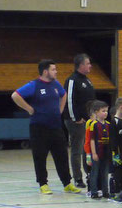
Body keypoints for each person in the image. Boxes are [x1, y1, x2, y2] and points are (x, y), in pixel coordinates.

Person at [11, 59, 80, 195]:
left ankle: (67, 183)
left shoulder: (56, 84)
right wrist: (29, 108)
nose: (56, 72)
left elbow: (64, 94)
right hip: (39, 128)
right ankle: (43, 184)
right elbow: (15, 95)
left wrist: (60, 109)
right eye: (53, 69)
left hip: (56, 127)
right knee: (40, 157)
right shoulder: (34, 85)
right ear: (45, 71)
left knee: (61, 155)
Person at [63, 54, 95, 189]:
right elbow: (69, 100)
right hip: (76, 121)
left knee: (87, 148)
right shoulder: (72, 80)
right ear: (80, 65)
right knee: (77, 149)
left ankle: (89, 175)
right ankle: (77, 178)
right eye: (88, 63)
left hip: (87, 121)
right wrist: (74, 118)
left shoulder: (87, 80)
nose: (90, 66)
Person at [87, 100, 112, 199]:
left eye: (106, 111)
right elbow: (92, 140)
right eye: (103, 111)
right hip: (97, 152)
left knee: (105, 173)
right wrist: (93, 153)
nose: (105, 113)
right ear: (96, 112)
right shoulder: (94, 125)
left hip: (106, 153)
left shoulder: (108, 124)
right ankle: (94, 191)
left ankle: (105, 191)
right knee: (95, 172)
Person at [109, 98, 122, 201]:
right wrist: (115, 153)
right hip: (118, 152)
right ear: (121, 107)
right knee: (118, 172)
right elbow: (113, 139)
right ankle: (116, 192)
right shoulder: (114, 121)